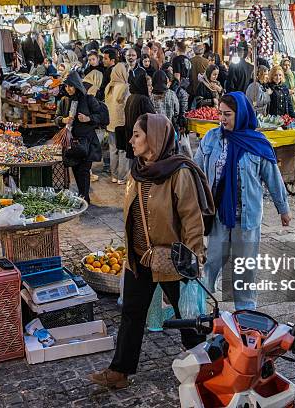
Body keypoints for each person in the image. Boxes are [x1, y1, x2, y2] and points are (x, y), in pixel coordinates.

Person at [89, 113, 214, 389]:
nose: (131, 140)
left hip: (172, 260)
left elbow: (193, 220)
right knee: (132, 313)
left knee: (188, 319)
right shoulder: (138, 170)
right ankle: (119, 371)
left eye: (137, 135)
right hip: (140, 257)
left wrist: (193, 260)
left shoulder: (178, 173)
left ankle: (204, 371)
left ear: (154, 138)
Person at [194, 93, 291, 310]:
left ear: (241, 114)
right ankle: (198, 304)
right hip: (218, 215)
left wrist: (283, 209)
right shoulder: (211, 138)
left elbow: (273, 177)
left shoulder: (258, 143)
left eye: (227, 114)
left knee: (245, 268)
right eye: (220, 113)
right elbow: (195, 171)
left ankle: (245, 312)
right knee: (211, 261)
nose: (222, 119)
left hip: (247, 219)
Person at [55, 72, 103, 204]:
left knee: (84, 170)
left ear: (77, 85)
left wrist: (88, 118)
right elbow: (56, 118)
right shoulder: (64, 101)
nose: (68, 89)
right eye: (66, 86)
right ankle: (82, 195)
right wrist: (63, 120)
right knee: (76, 169)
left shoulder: (88, 99)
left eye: (71, 86)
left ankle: (84, 197)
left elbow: (101, 117)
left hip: (87, 142)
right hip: (71, 143)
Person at [105, 63, 131, 184]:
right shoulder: (125, 87)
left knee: (113, 150)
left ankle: (114, 176)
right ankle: (122, 177)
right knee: (123, 150)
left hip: (110, 124)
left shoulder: (108, 87)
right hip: (122, 123)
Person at [124, 71, 156, 160]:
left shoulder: (131, 97)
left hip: (133, 137)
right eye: (149, 85)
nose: (151, 88)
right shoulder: (143, 99)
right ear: (143, 86)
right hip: (142, 139)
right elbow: (153, 119)